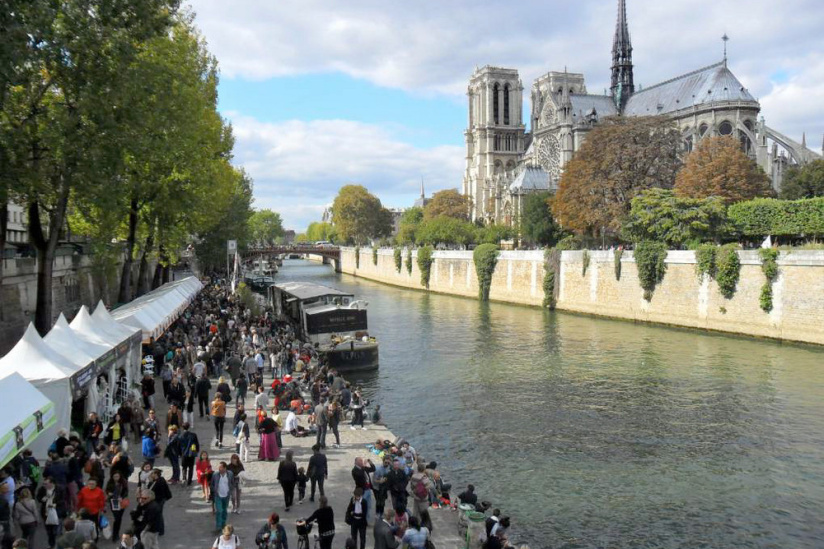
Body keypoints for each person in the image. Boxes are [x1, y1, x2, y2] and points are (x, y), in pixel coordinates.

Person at [37, 476, 67, 548]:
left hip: (57, 512)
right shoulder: (42, 489)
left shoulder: (59, 489)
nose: (44, 485)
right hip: (46, 513)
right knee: (49, 532)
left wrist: (55, 504)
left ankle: (59, 545)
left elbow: (63, 500)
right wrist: (42, 499)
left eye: (46, 484)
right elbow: (38, 497)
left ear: (52, 483)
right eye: (44, 484)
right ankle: (51, 545)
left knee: (56, 531)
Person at [105, 471, 129, 540]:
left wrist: (122, 497)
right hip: (114, 502)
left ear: (120, 476)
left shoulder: (123, 482)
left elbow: (126, 492)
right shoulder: (110, 483)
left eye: (117, 476)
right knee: (117, 518)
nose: (116, 478)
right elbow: (107, 490)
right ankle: (115, 534)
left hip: (121, 501)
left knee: (119, 518)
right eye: (114, 477)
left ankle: (116, 533)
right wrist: (109, 493)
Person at [146, 470, 171, 536]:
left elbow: (150, 489)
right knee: (158, 514)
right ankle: (158, 528)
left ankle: (160, 530)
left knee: (159, 515)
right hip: (159, 500)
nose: (150, 475)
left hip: (159, 500)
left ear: (155, 474)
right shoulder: (157, 480)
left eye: (151, 474)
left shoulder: (159, 481)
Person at [210, 462, 234, 531]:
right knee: (219, 511)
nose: (219, 469)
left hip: (226, 495)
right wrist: (214, 490)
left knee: (224, 510)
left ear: (225, 468)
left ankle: (223, 524)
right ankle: (218, 526)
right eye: (219, 467)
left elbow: (232, 482)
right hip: (218, 496)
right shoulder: (215, 475)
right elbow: (212, 484)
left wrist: (230, 489)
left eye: (221, 467)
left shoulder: (230, 474)